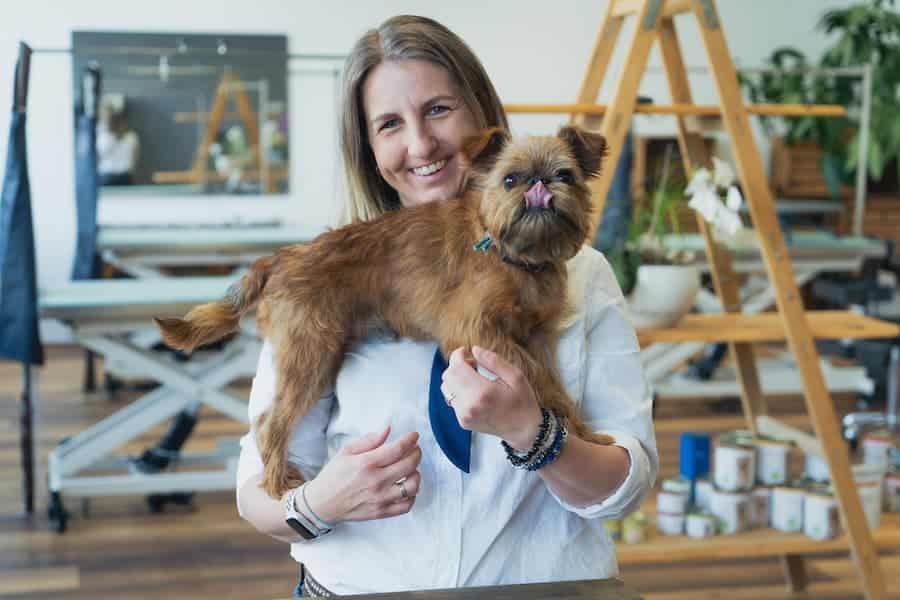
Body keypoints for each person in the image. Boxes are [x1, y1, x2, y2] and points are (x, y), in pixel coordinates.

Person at [236, 15, 657, 597]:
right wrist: (319, 502)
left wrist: (535, 433)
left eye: (437, 109)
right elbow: (257, 492)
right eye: (389, 124)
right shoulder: (339, 273)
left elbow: (628, 485)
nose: (420, 144)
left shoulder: (585, 278)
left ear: (480, 113)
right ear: (370, 148)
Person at [96, 98, 139, 186]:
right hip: (126, 176)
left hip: (106, 176)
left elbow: (97, 158)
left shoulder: (103, 136)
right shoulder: (132, 136)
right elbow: (134, 160)